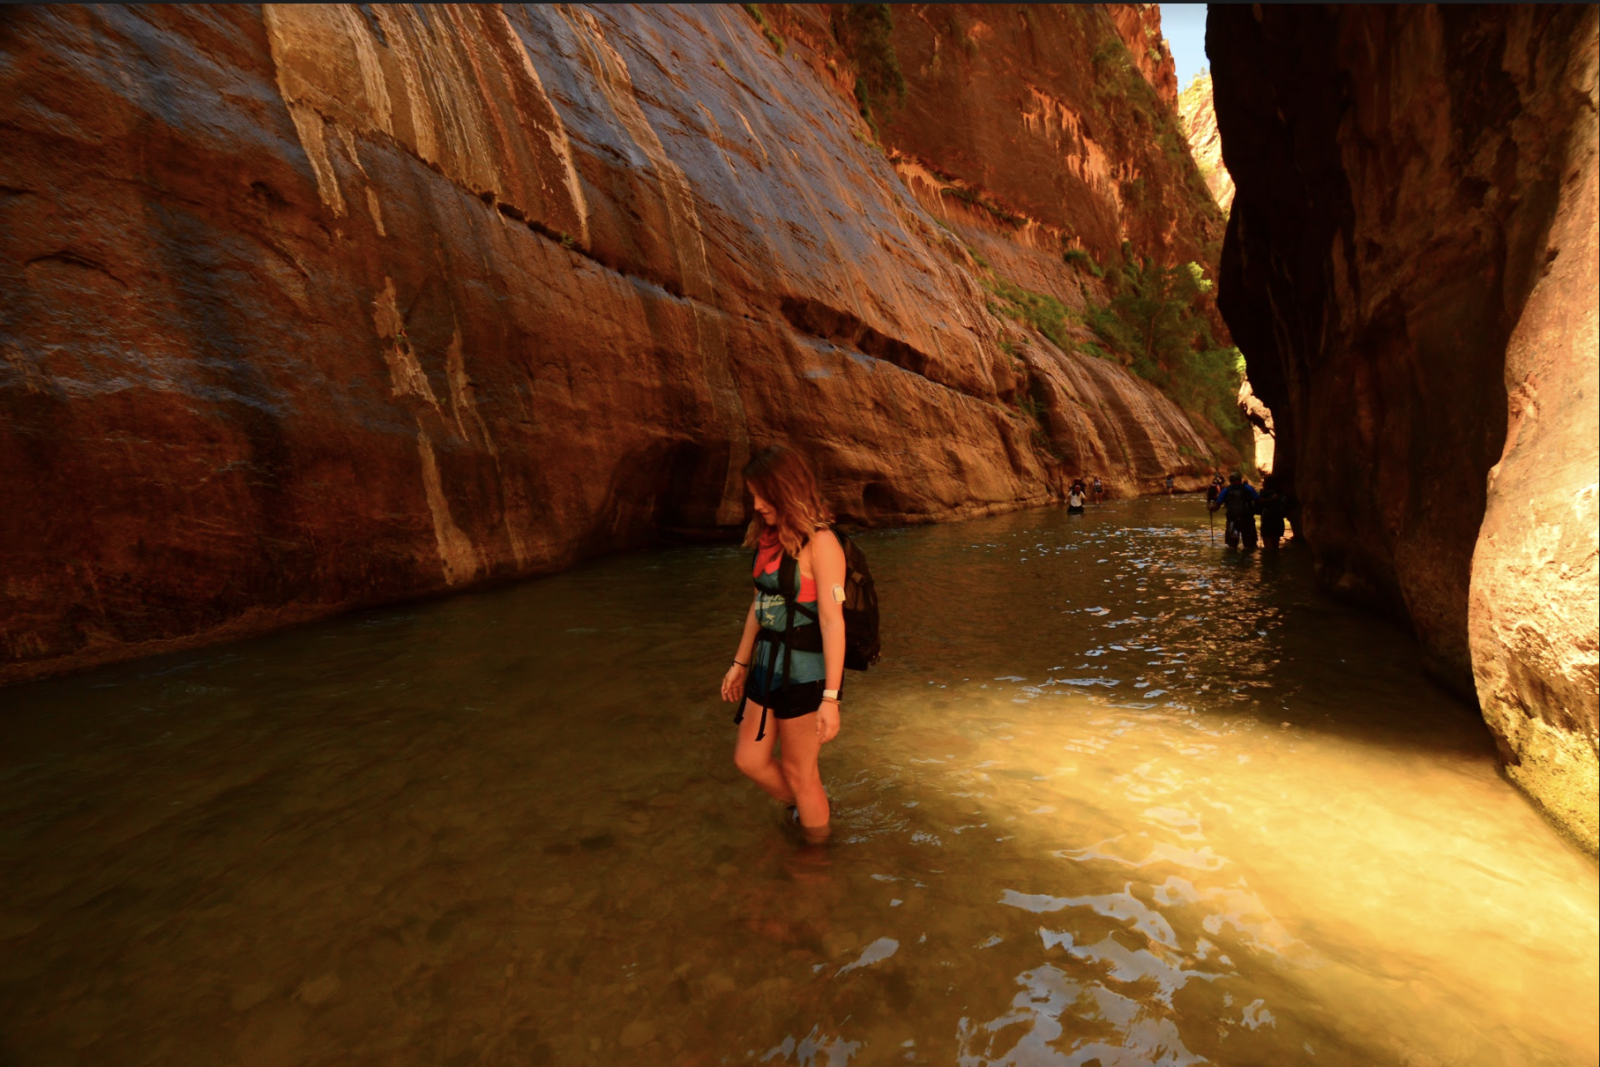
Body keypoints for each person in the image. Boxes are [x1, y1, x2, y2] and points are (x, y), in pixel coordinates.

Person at [720, 446, 847, 844]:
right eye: (753, 495)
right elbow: (760, 603)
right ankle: (813, 808)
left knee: (799, 772)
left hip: (804, 675)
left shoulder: (822, 543)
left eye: (763, 495)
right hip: (765, 665)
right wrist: (739, 663)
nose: (756, 505)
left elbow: (831, 622)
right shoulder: (768, 538)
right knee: (749, 759)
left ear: (786, 490)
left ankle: (816, 860)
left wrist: (831, 698)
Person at [1210, 471, 1259, 549]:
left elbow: (1216, 507)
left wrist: (1210, 507)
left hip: (1232, 521)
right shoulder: (1248, 488)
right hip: (1247, 521)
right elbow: (1258, 501)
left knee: (1232, 547)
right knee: (1250, 546)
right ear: (1240, 479)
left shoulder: (1226, 491)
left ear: (1230, 480)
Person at [1257, 473, 1292, 548]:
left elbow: (1258, 506)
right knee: (1275, 546)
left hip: (1268, 521)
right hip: (1278, 521)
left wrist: (1270, 500)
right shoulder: (1282, 494)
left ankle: (1269, 558)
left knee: (1268, 547)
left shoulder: (1264, 493)